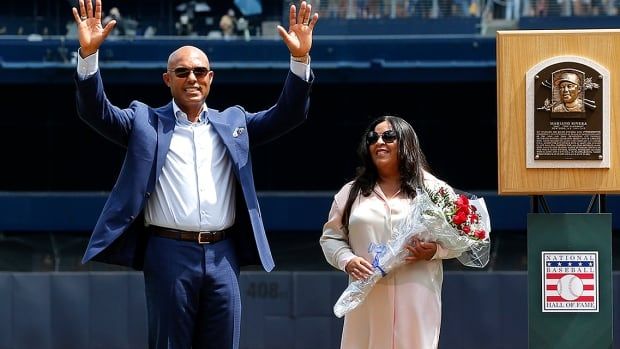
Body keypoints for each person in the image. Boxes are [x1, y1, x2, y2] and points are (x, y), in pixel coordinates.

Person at [71, 0, 318, 348]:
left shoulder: (234, 122)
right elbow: (97, 112)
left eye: (200, 72)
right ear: (167, 79)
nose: (192, 79)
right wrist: (87, 55)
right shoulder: (145, 121)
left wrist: (299, 60)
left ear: (210, 78)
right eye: (183, 72)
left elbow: (288, 114)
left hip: (223, 255)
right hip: (168, 251)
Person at [320, 116, 463, 349]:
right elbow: (331, 237)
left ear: (406, 142)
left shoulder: (433, 190)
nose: (379, 142)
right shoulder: (351, 192)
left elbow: (462, 235)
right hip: (367, 296)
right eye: (372, 137)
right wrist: (347, 260)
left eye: (388, 136)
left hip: (416, 293)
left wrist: (435, 250)